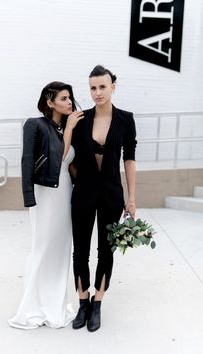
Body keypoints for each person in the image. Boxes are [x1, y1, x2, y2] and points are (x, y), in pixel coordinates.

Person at [8, 81, 84, 329]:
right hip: (45, 194)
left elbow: (71, 164)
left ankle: (55, 304)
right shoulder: (36, 125)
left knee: (61, 249)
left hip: (65, 193)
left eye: (69, 97)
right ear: (50, 102)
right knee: (42, 246)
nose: (69, 102)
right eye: (63, 98)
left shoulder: (67, 127)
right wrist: (28, 196)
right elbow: (29, 160)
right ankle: (32, 306)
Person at [71, 65, 137, 332]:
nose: (97, 92)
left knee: (106, 250)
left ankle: (98, 303)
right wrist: (80, 180)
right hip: (83, 193)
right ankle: (82, 302)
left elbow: (129, 159)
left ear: (113, 87)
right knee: (81, 250)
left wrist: (131, 198)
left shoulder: (125, 119)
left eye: (102, 86)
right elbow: (69, 158)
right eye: (92, 87)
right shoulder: (80, 119)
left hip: (111, 194)